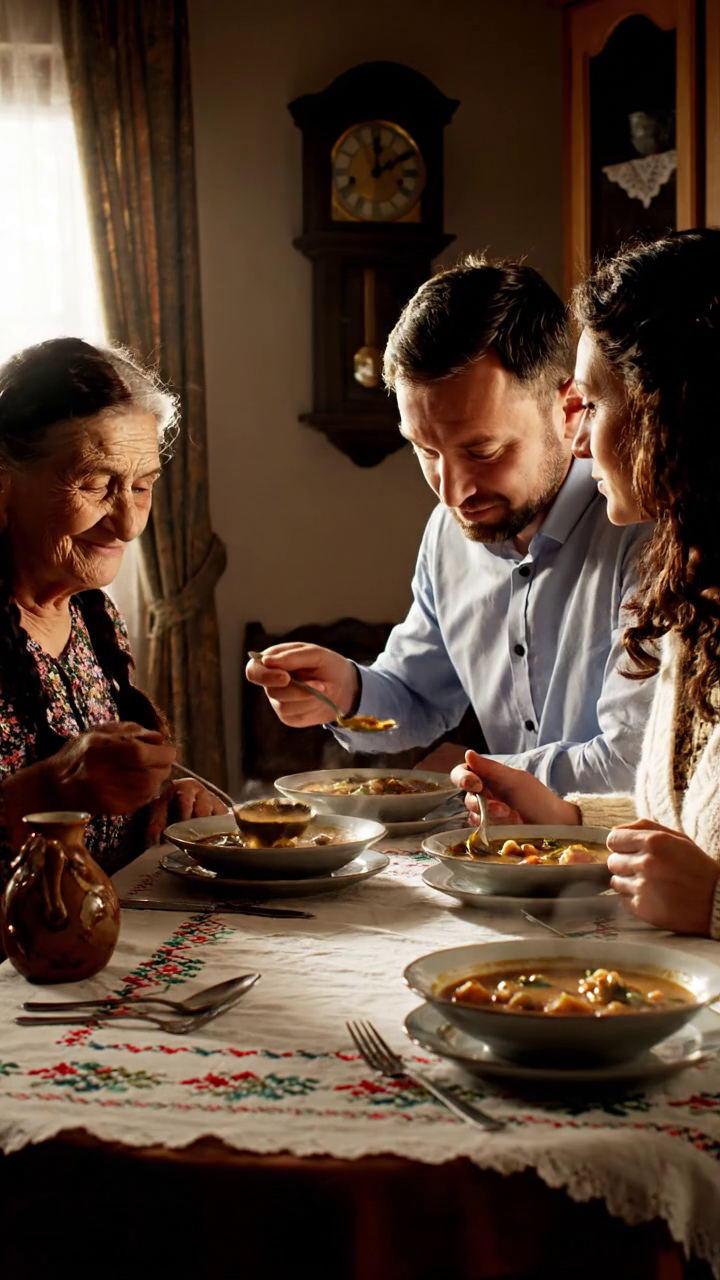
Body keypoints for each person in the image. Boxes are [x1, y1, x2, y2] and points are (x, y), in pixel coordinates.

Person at [246, 255, 653, 795]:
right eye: (425, 450)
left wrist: (475, 773)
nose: (452, 491)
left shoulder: (646, 531)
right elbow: (416, 698)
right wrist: (346, 691)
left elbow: (635, 765)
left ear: (571, 409)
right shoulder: (448, 532)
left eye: (482, 450)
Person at [451, 229, 720, 938]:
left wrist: (716, 904)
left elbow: (704, 878)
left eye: (595, 406)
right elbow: (680, 823)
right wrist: (566, 816)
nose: (576, 440)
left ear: (673, 416)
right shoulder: (692, 594)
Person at [0, 336, 226, 888]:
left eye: (143, 486)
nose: (128, 525)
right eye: (97, 485)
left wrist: (167, 798)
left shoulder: (93, 618)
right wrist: (52, 787)